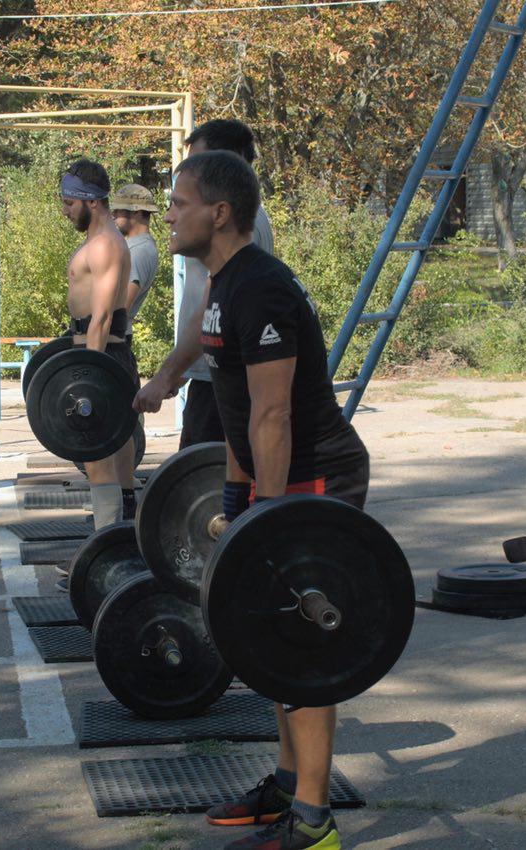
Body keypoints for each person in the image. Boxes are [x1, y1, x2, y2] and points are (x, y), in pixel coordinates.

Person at [136, 151, 369, 850]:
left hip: (314, 476)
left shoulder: (260, 288)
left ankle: (314, 824)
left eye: (179, 202)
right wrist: (236, 499)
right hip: (273, 474)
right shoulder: (221, 284)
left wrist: (265, 519)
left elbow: (274, 414)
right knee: (270, 633)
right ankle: (289, 784)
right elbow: (240, 414)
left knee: (303, 643)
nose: (168, 214)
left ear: (220, 213)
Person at [172, 120, 274, 449]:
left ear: (226, 163)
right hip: (213, 375)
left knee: (203, 477)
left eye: (197, 164)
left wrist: (166, 376)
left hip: (224, 379)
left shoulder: (241, 224)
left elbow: (211, 306)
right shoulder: (237, 217)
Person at [59, 159, 139, 525]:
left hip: (102, 353)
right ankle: (121, 530)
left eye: (69, 203)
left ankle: (105, 539)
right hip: (105, 352)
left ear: (91, 201)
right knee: (116, 448)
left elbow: (103, 317)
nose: (65, 211)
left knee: (96, 455)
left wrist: (89, 373)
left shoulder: (105, 244)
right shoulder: (101, 240)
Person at [110, 183, 161, 336]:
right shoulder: (136, 247)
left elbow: (120, 309)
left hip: (113, 337)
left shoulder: (140, 251)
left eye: (118, 210)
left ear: (136, 212)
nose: (113, 215)